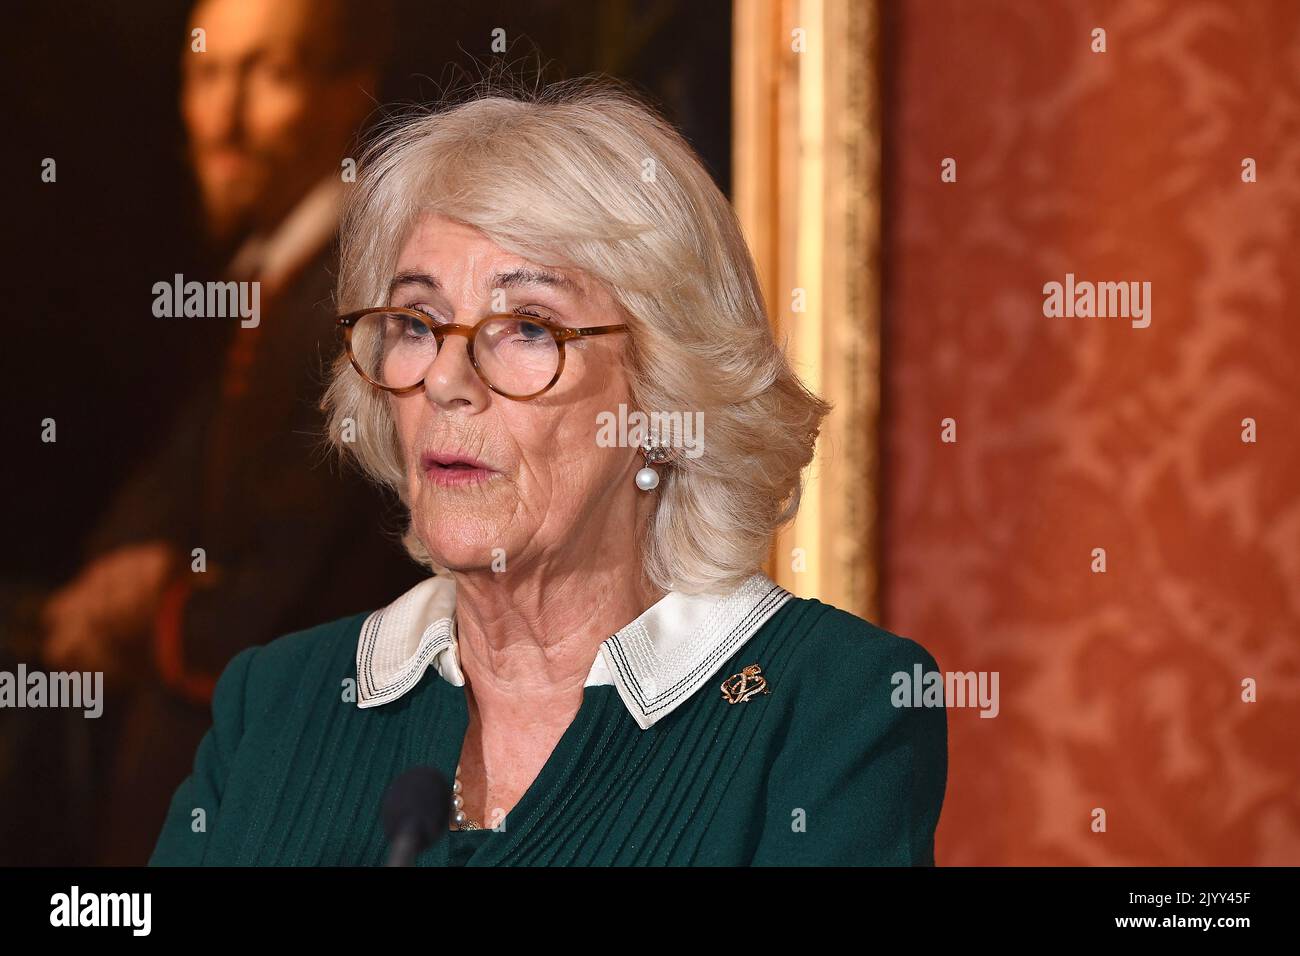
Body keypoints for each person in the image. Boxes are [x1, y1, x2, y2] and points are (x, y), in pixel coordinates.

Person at [150, 78, 947, 866]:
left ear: (666, 395)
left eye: (528, 326)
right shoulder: (279, 703)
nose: (445, 380)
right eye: (417, 323)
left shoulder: (830, 708)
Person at [40, 0, 419, 864]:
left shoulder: (371, 295)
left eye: (268, 74)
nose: (225, 117)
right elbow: (181, 477)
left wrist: (159, 607)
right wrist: (120, 570)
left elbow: (314, 598)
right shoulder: (262, 289)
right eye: (206, 74)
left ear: (345, 92)